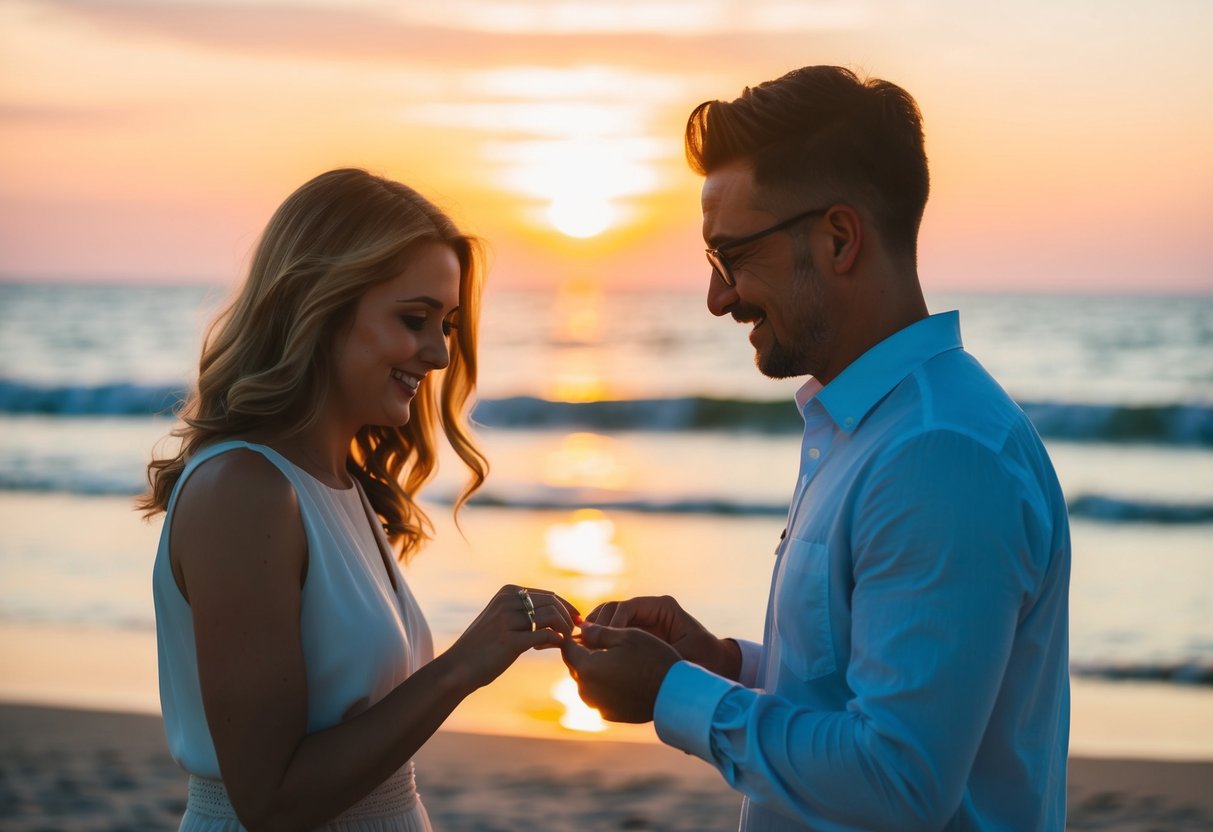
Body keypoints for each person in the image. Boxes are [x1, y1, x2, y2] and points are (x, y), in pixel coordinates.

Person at [561, 66, 1071, 830]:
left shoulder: (938, 455)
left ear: (838, 237)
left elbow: (899, 778)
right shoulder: (869, 430)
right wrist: (724, 664)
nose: (717, 297)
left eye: (731, 257)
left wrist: (673, 694)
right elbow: (868, 690)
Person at [141, 168, 577, 830]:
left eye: (448, 325)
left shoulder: (338, 483)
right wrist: (462, 666)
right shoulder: (244, 493)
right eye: (414, 319)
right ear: (318, 307)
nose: (436, 353)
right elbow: (270, 800)